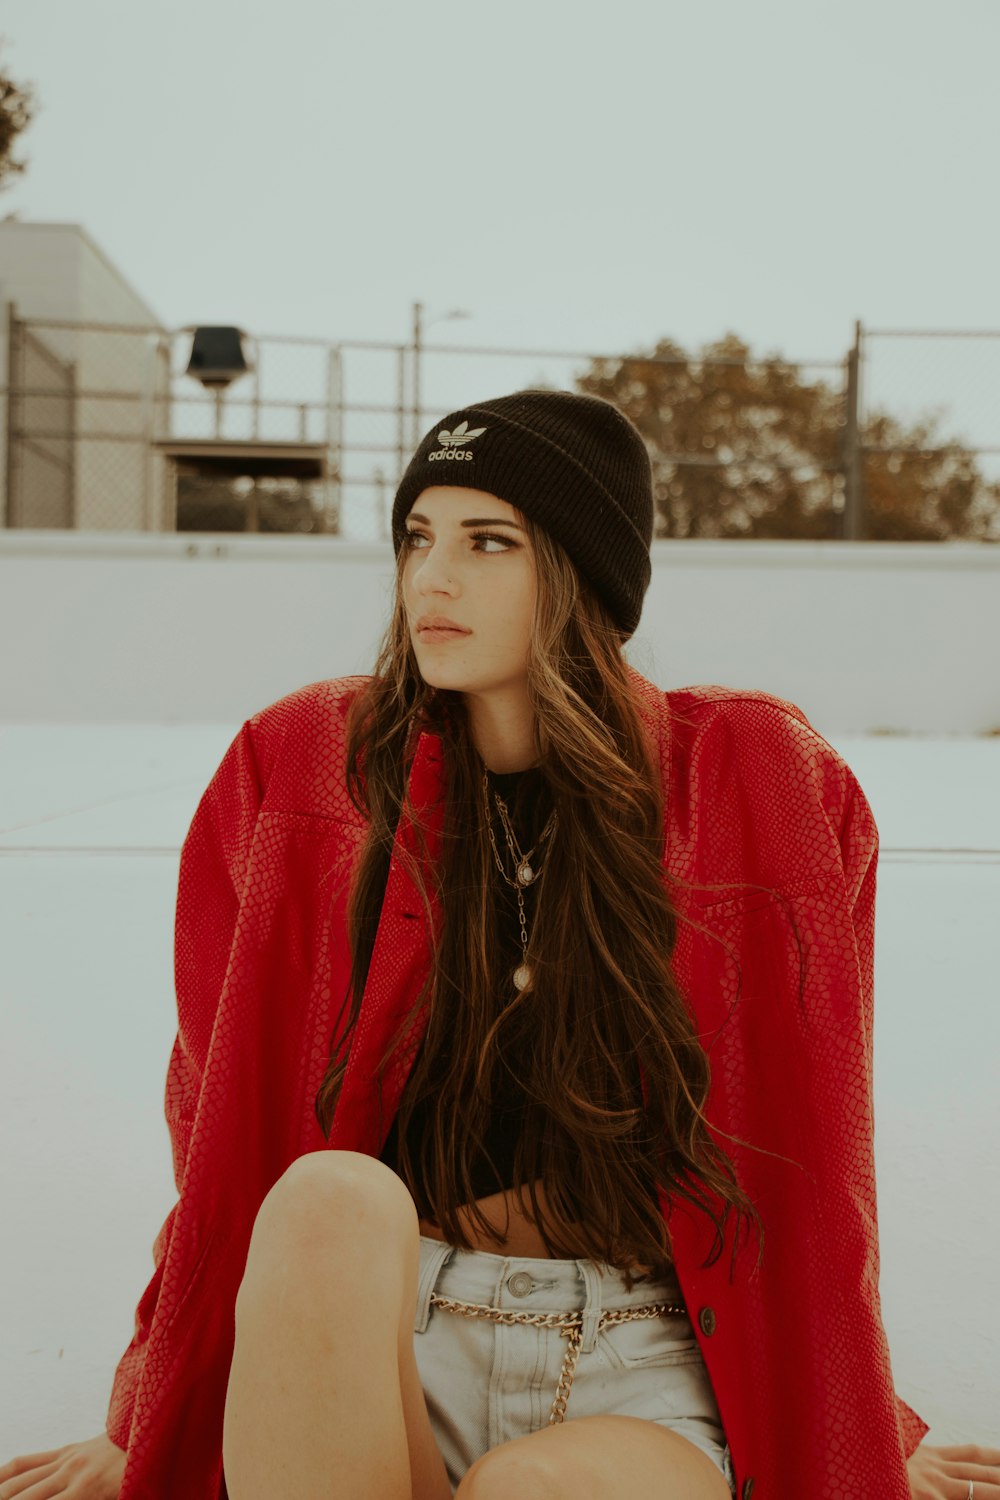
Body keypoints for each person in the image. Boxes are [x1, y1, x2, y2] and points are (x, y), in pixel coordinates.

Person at [1, 389, 997, 1500]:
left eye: (488, 543)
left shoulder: (754, 778)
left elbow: (815, 1152)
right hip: (385, 1339)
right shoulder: (298, 772)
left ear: (579, 573)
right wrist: (146, 1410)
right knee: (328, 1195)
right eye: (418, 538)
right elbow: (216, 1129)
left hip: (644, 1359)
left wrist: (866, 1426)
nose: (431, 578)